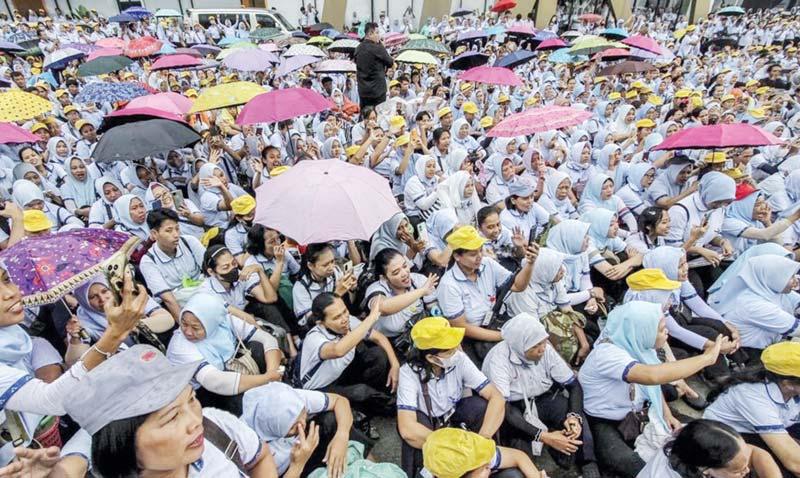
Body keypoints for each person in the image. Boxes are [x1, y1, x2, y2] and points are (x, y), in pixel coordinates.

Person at [63, 344, 283, 477]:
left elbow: (259, 458)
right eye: (172, 417)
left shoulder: (215, 426)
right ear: (121, 443)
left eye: (192, 399)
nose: (195, 421)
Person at [579, 301, 723, 478]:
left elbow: (652, 385)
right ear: (642, 330)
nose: (666, 332)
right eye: (661, 329)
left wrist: (666, 413)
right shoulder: (607, 354)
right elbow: (652, 376)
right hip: (606, 420)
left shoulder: (637, 345)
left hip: (639, 411)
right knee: (631, 464)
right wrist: (707, 359)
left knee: (698, 436)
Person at [482, 314, 599, 478]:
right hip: (513, 408)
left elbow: (573, 385)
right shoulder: (498, 361)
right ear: (520, 346)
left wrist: (573, 416)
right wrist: (543, 436)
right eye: (535, 346)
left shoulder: (546, 350)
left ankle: (588, 463)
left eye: (543, 342)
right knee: (521, 451)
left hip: (543, 398)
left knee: (576, 420)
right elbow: (503, 408)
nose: (542, 348)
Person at [396, 317, 507, 477]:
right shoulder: (408, 373)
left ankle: (485, 462)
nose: (456, 350)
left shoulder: (459, 359)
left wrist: (482, 439)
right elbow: (407, 428)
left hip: (452, 415)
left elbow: (496, 397)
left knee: (480, 407)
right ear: (431, 358)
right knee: (415, 432)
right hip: (428, 428)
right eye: (449, 350)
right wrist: (451, 444)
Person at [166, 293, 283, 415]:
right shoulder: (180, 346)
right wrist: (265, 379)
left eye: (195, 328)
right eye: (184, 324)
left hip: (226, 370)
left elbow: (267, 339)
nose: (188, 332)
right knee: (239, 400)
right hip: (199, 392)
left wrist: (271, 372)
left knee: (257, 347)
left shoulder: (222, 320)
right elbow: (215, 381)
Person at [436, 225, 538, 364]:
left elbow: (517, 286)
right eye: (473, 254)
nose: (479, 257)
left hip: (495, 322)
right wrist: (502, 336)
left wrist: (530, 264)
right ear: (457, 256)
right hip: (472, 338)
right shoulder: (449, 285)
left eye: (480, 250)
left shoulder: (487, 264)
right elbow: (461, 327)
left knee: (533, 337)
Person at [296, 293, 399, 421]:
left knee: (377, 355)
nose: (344, 318)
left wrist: (395, 364)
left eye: (345, 311)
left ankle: (375, 398)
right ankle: (392, 408)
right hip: (321, 387)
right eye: (336, 317)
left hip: (341, 373)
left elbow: (379, 338)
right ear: (321, 323)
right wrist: (371, 318)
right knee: (361, 392)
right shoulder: (314, 338)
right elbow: (338, 350)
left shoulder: (348, 321)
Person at [704, 342, 800, 477]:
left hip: (760, 431)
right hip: (727, 439)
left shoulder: (788, 388)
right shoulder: (753, 394)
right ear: (788, 384)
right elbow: (795, 464)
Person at [241, 381, 374, 477]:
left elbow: (340, 401)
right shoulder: (249, 449)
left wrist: (342, 436)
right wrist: (298, 465)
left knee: (331, 420)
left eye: (303, 414)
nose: (302, 425)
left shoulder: (290, 400)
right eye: (293, 427)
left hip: (301, 453)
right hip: (287, 472)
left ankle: (371, 466)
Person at [637, 419, 781, 477]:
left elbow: (755, 452)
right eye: (737, 471)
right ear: (704, 469)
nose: (747, 471)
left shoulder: (694, 437)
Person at [422, 427, 546, 478]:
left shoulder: (476, 451)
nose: (489, 466)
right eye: (483, 467)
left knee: (513, 475)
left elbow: (518, 456)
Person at [354, 22, 394, 109]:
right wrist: (382, 47)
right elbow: (390, 62)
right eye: (377, 33)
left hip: (363, 90)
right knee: (378, 113)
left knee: (365, 113)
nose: (379, 36)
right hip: (377, 90)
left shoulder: (358, 48)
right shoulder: (377, 48)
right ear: (370, 34)